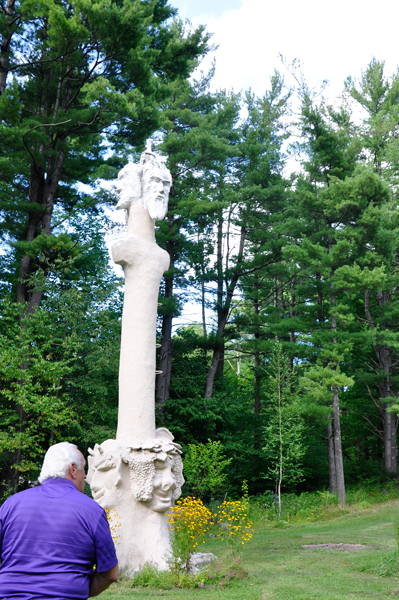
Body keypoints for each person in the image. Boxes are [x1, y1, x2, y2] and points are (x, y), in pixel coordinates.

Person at [0, 442, 118, 599]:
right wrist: (76, 589)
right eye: (84, 469)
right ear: (73, 469)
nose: (86, 476)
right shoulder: (92, 511)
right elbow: (111, 574)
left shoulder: (10, 505)